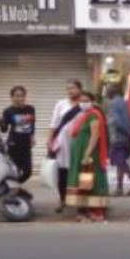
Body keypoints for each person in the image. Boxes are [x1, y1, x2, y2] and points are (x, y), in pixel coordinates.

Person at [65, 91, 110, 222]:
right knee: (83, 182)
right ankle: (84, 210)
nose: (83, 103)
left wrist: (87, 153)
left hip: (89, 154)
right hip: (79, 154)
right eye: (81, 101)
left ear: (92, 102)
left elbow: (95, 136)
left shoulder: (93, 115)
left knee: (91, 181)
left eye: (86, 101)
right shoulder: (83, 115)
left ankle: (97, 211)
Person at [48, 79, 84, 213]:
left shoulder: (84, 104)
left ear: (80, 89)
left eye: (73, 88)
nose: (70, 91)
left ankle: (80, 201)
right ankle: (62, 199)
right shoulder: (61, 104)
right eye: (68, 88)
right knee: (62, 172)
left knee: (78, 171)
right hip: (62, 143)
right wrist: (49, 140)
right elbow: (54, 123)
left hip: (79, 143)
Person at [105, 85, 130, 196]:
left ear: (111, 92)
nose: (105, 94)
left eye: (107, 91)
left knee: (120, 162)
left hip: (118, 137)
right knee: (121, 162)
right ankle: (125, 186)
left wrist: (128, 133)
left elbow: (117, 121)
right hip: (126, 137)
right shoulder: (124, 102)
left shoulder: (113, 104)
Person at [0, 85, 36, 182]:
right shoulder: (8, 111)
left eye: (22, 96)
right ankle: (11, 191)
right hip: (13, 145)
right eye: (17, 96)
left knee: (28, 172)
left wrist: (32, 137)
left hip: (26, 145)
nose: (20, 98)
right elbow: (4, 130)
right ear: (12, 97)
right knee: (14, 171)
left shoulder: (30, 109)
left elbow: (32, 125)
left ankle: (13, 186)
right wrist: (1, 122)